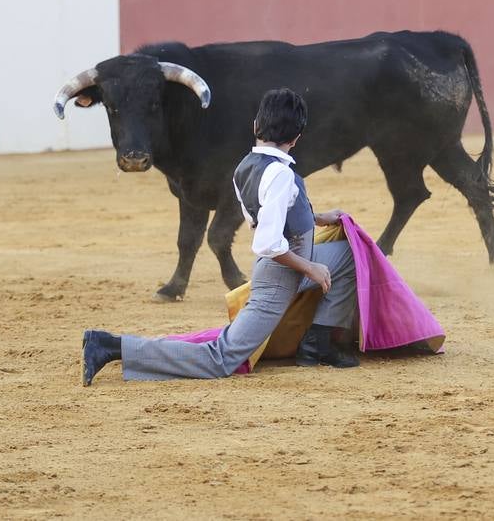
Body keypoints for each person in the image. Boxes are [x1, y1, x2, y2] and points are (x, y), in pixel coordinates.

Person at [82, 88, 360, 385]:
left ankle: (318, 343)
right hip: (279, 277)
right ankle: (112, 346)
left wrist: (318, 217)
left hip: (290, 264)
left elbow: (268, 211)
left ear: (256, 126)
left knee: (347, 255)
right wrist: (310, 268)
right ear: (296, 138)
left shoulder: (245, 167)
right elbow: (268, 242)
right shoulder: (280, 174)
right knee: (222, 357)